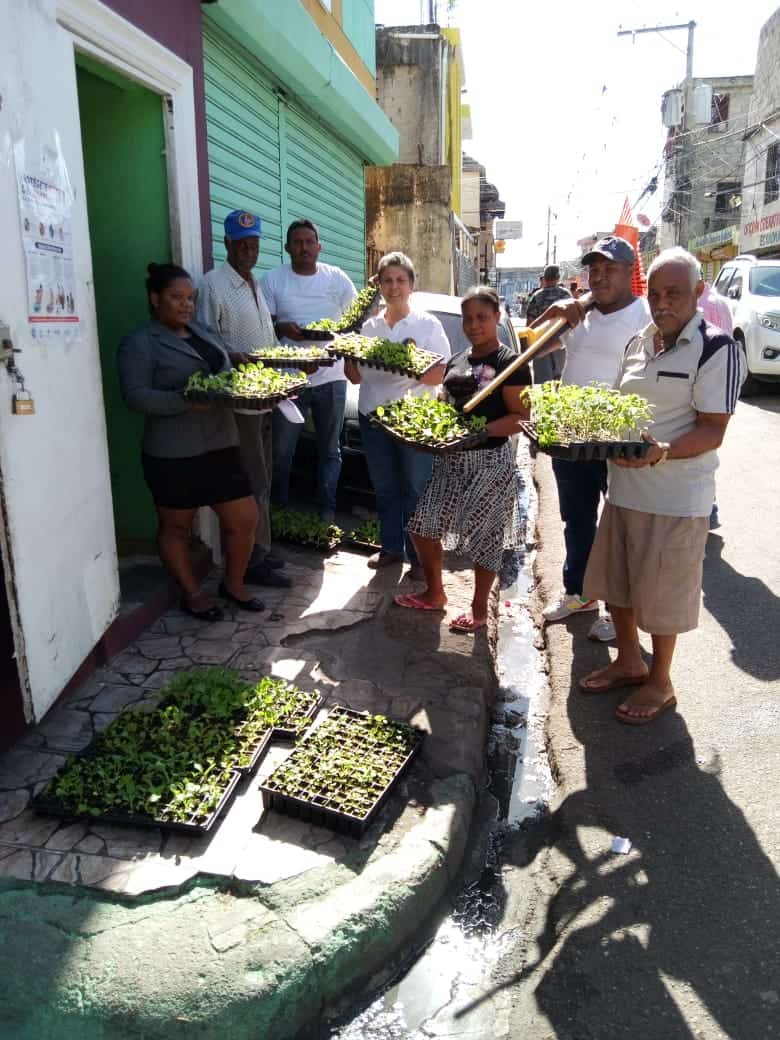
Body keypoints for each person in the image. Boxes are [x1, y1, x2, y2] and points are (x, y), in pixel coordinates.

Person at [579, 246, 745, 724]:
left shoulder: (717, 347)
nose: (662, 302)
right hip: (625, 489)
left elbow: (714, 428)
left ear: (698, 293)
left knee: (662, 595)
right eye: (654, 293)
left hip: (677, 498)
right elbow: (617, 406)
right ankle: (629, 661)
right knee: (620, 585)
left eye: (673, 293)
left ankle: (661, 681)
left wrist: (665, 451)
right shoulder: (638, 342)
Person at [118, 263, 264, 621]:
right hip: (173, 452)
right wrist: (184, 399)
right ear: (155, 300)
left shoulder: (203, 332)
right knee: (176, 528)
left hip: (220, 443)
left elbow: (225, 371)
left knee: (245, 518)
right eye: (176, 298)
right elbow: (134, 396)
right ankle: (192, 592)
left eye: (190, 298)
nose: (186, 305)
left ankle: (233, 583)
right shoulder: (140, 343)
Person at [535, 236, 651, 642]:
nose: (598, 277)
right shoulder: (577, 313)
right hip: (571, 434)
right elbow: (527, 347)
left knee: (621, 524)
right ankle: (581, 592)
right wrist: (558, 314)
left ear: (629, 273)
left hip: (619, 437)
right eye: (593, 269)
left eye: (608, 269)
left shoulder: (644, 316)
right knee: (577, 517)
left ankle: (620, 613)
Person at [395, 286, 530, 632]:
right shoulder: (457, 359)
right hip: (450, 460)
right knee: (422, 527)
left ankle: (480, 610)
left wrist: (481, 433)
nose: (473, 325)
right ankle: (435, 593)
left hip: (489, 462)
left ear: (497, 318)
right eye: (468, 318)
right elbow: (444, 406)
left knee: (486, 540)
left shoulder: (510, 364)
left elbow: (521, 417)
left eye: (482, 318)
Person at [195, 209, 291, 589]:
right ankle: (252, 560)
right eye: (242, 244)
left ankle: (261, 549)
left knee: (262, 476)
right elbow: (204, 343)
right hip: (239, 403)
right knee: (252, 479)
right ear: (227, 244)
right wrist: (231, 357)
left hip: (265, 398)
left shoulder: (252, 282)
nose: (249, 251)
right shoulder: (213, 286)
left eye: (254, 244)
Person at [347, 251, 450, 577]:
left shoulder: (426, 325)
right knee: (385, 486)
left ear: (411, 285)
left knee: (415, 488)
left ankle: (419, 559)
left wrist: (406, 362)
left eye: (400, 280)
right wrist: (347, 350)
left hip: (413, 422)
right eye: (387, 280)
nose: (394, 287)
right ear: (378, 284)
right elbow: (355, 377)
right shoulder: (370, 327)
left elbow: (440, 374)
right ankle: (391, 548)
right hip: (373, 418)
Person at [263, 219, 357, 522]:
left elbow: (356, 320)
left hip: (332, 377)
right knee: (282, 450)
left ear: (319, 246)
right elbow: (265, 326)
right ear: (288, 247)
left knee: (330, 449)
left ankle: (326, 510)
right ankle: (278, 508)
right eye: (297, 242)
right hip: (288, 380)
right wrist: (282, 327)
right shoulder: (273, 280)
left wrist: (339, 342)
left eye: (309, 242)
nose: (303, 247)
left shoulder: (337, 279)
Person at [697, 277, 733, 530]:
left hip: (698, 381)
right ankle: (710, 511)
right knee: (707, 449)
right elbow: (729, 336)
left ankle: (707, 511)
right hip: (718, 382)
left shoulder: (694, 303)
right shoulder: (721, 302)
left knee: (699, 449)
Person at [525, 265, 572, 383]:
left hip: (541, 343)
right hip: (561, 342)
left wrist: (529, 344)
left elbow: (530, 323)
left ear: (544, 278)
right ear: (558, 278)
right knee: (560, 381)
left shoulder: (537, 296)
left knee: (542, 384)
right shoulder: (566, 295)